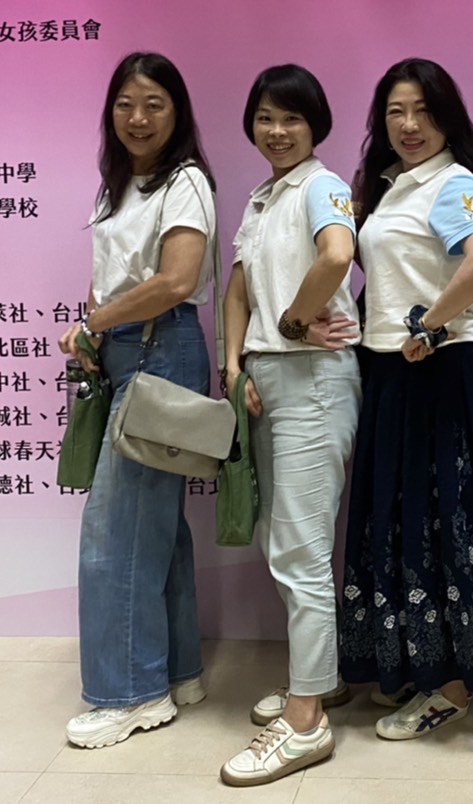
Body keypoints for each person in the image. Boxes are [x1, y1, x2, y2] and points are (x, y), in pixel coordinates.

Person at [339, 57, 473, 741]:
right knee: (399, 522)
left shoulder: (454, 182)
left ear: (447, 118)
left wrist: (430, 324)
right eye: (396, 111)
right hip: (390, 373)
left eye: (423, 110)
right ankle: (415, 665)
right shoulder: (392, 187)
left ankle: (452, 687)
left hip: (437, 373)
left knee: (443, 523)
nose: (409, 124)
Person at [56, 51, 218, 749]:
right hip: (128, 352)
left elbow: (177, 281)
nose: (138, 118)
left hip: (161, 349)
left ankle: (129, 692)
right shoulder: (117, 185)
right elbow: (111, 277)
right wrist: (92, 328)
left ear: (177, 112)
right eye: (125, 104)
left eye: (154, 103)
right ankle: (176, 672)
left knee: (113, 534)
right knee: (156, 528)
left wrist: (97, 320)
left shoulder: (186, 182)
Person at [218, 64, 362, 786]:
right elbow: (238, 287)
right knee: (284, 543)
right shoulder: (262, 197)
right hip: (268, 379)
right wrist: (233, 364)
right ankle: (319, 680)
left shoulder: (321, 186)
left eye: (292, 119)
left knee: (301, 552)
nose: (277, 131)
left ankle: (306, 721)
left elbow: (338, 254)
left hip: (313, 381)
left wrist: (296, 321)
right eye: (265, 118)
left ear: (315, 126)